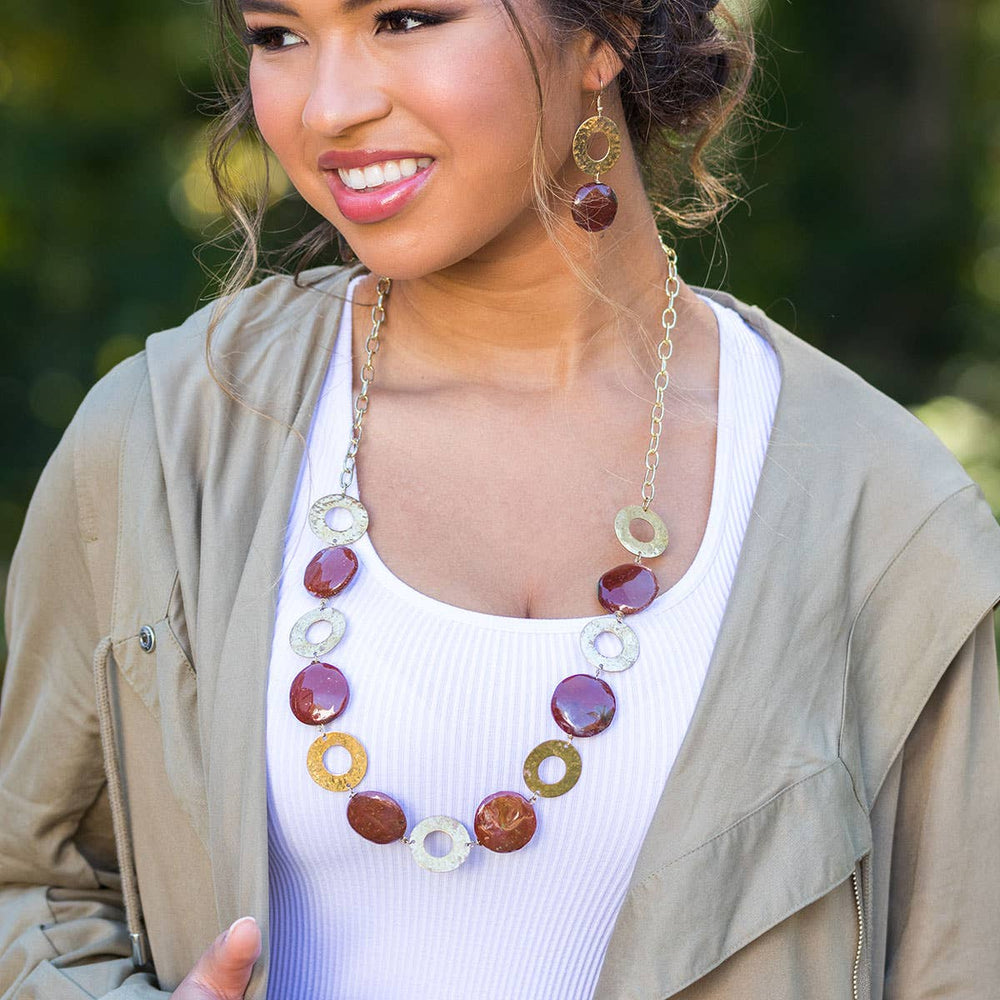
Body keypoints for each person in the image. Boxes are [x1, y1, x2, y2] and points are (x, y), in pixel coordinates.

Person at [1, 0, 999, 996]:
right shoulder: (168, 438)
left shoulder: (879, 511)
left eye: (405, 19)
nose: (330, 106)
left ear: (603, 34)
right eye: (278, 36)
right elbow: (30, 885)